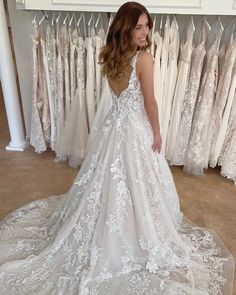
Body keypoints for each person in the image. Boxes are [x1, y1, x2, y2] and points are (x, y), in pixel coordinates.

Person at [0, 2, 234, 294]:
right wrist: (158, 133)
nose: (146, 32)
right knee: (136, 181)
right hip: (134, 127)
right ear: (126, 28)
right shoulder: (143, 59)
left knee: (110, 180)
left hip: (115, 127)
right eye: (139, 26)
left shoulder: (111, 56)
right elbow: (150, 102)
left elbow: (118, 97)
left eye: (147, 25)